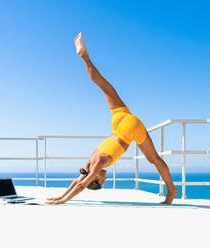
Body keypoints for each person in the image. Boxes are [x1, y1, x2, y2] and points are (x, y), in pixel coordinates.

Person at [46, 33, 178, 205]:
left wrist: (61, 201)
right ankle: (84, 56)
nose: (104, 178)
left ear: (96, 178)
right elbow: (78, 181)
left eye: (102, 181)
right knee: (103, 84)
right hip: (119, 119)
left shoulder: (98, 164)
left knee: (155, 159)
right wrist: (60, 195)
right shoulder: (90, 162)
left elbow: (81, 185)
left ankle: (171, 190)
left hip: (130, 128)